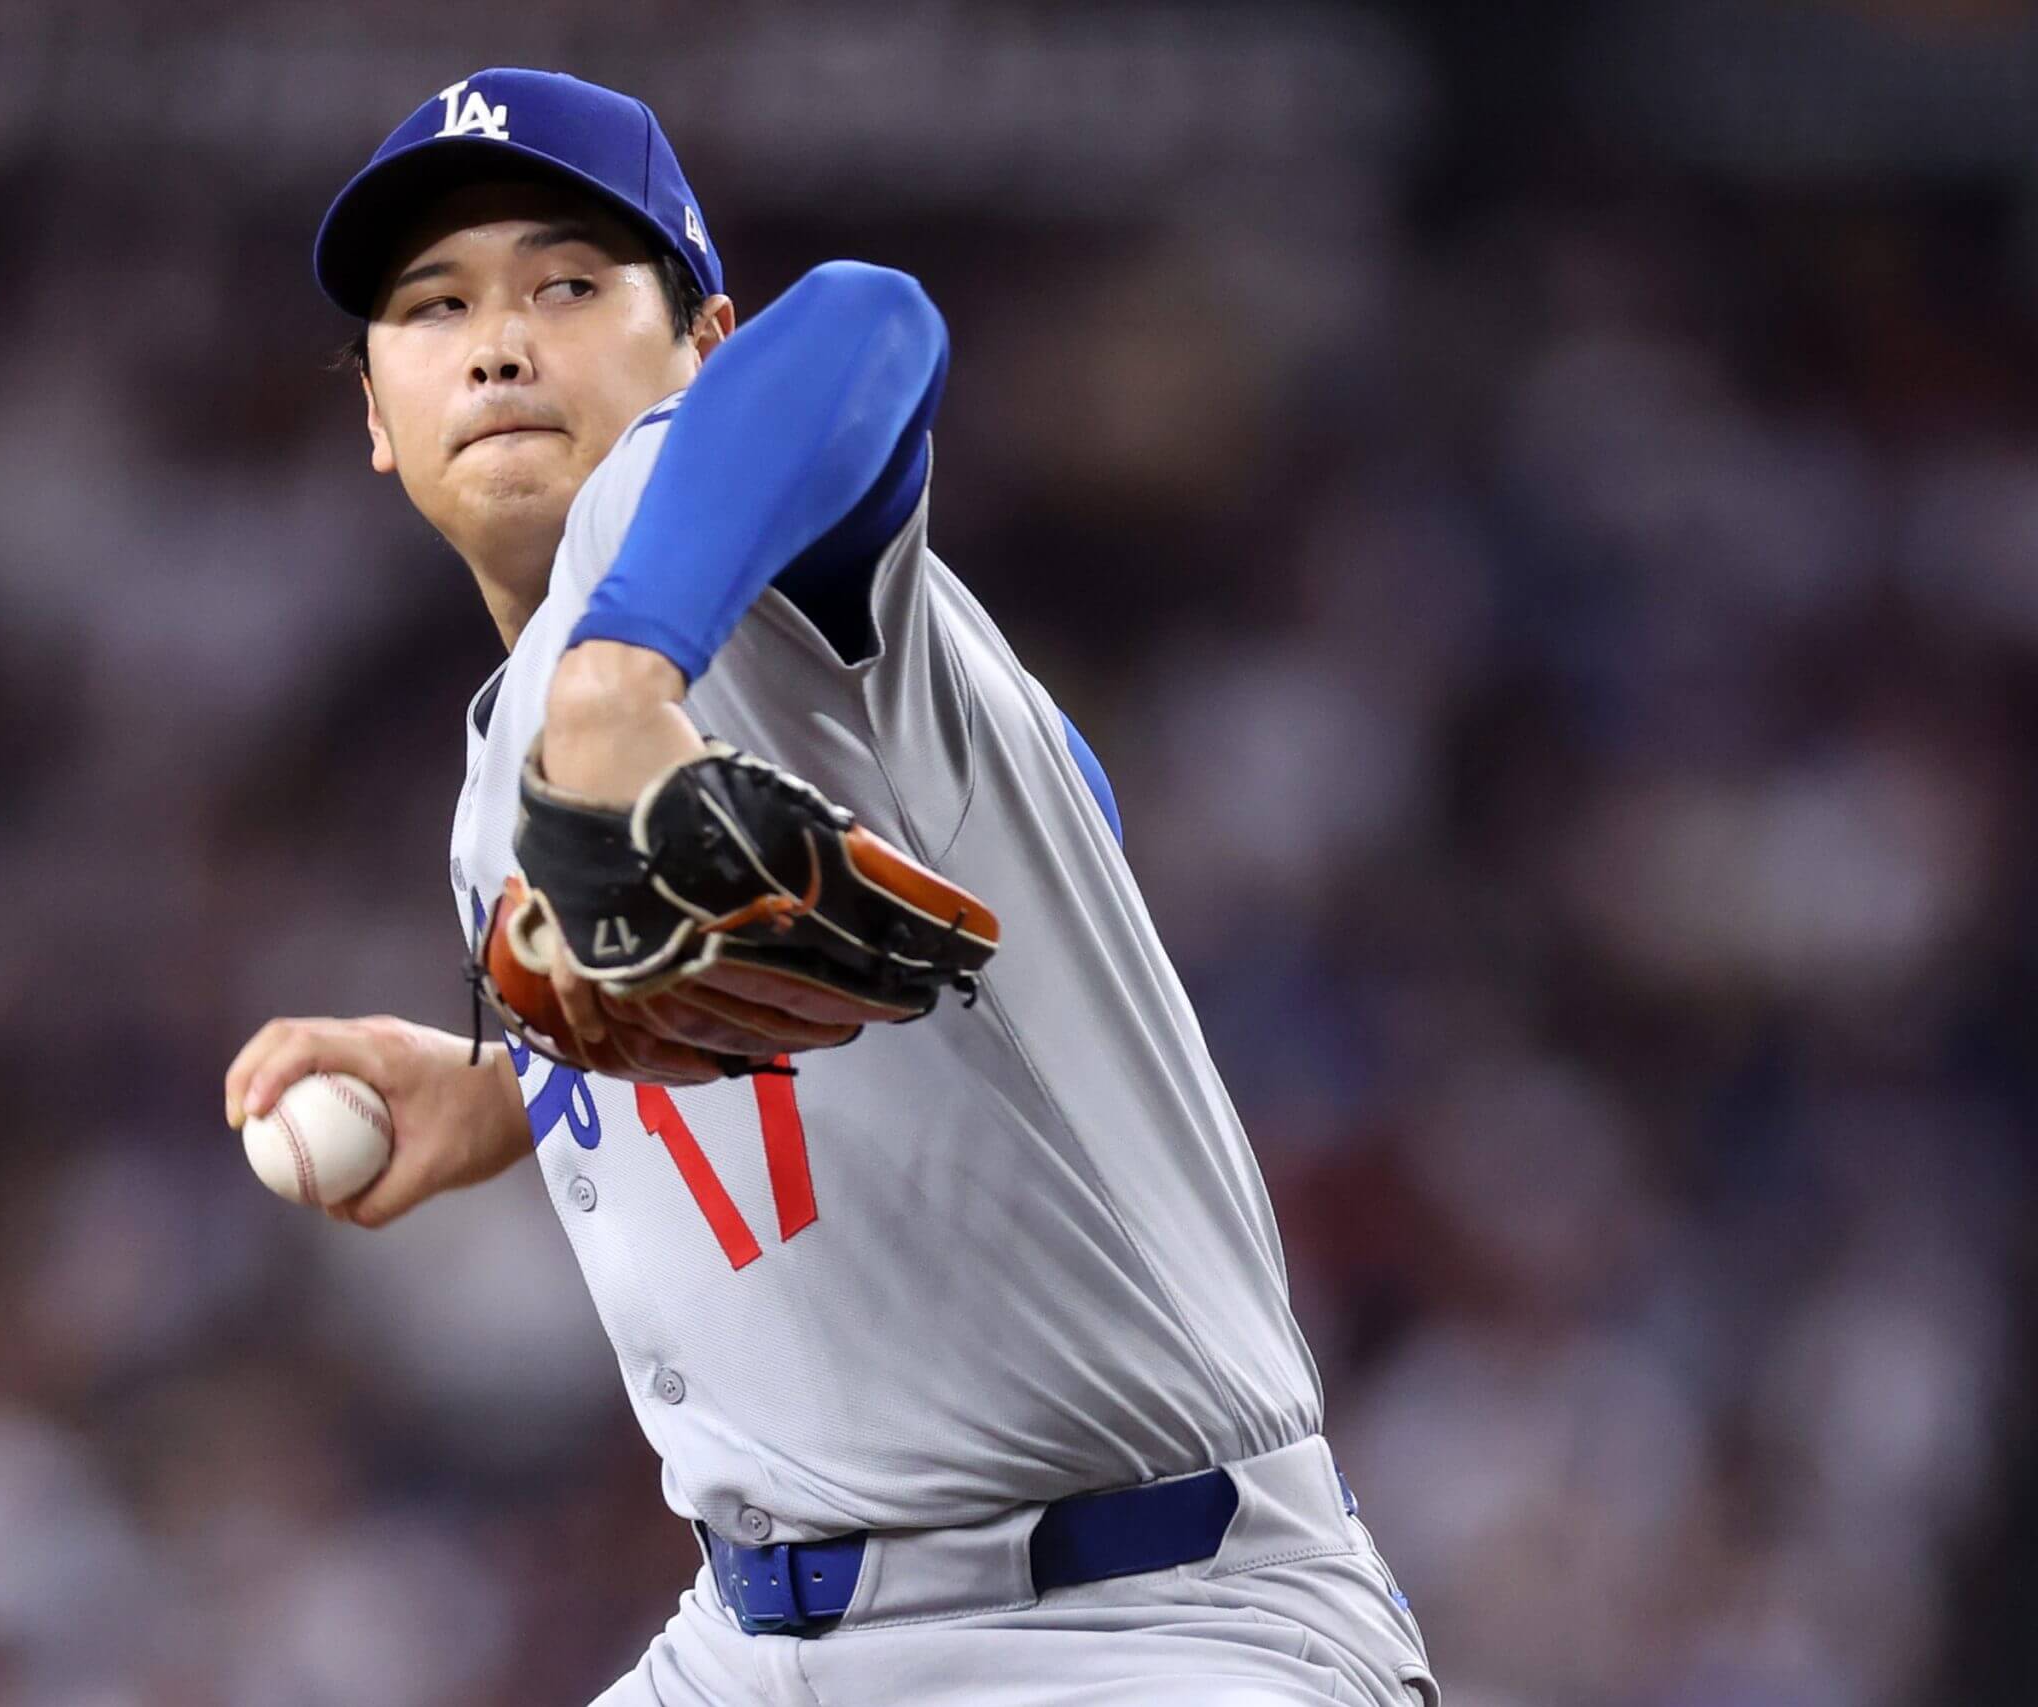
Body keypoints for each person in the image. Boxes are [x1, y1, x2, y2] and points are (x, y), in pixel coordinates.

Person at [224, 67, 1439, 1707]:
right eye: (433, 307)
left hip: (1145, 1622)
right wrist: (505, 1089)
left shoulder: (722, 571)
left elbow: (870, 323)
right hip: (755, 1644)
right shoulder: (511, 763)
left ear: (707, 343)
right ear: (374, 414)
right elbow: (808, 965)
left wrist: (619, 680)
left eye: (567, 284)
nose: (499, 342)